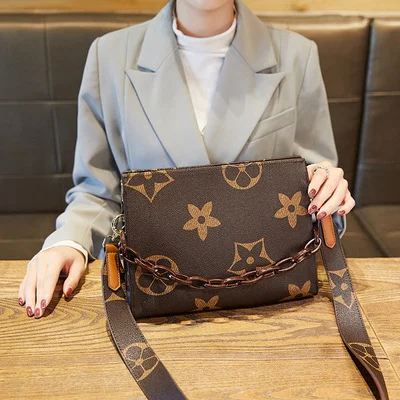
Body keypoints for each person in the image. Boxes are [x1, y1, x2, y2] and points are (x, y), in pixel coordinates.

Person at [17, 0, 355, 319]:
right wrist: (69, 242)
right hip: (155, 297)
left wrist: (328, 193)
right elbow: (98, 190)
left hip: (270, 300)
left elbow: (315, 184)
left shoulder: (297, 55)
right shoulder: (109, 56)